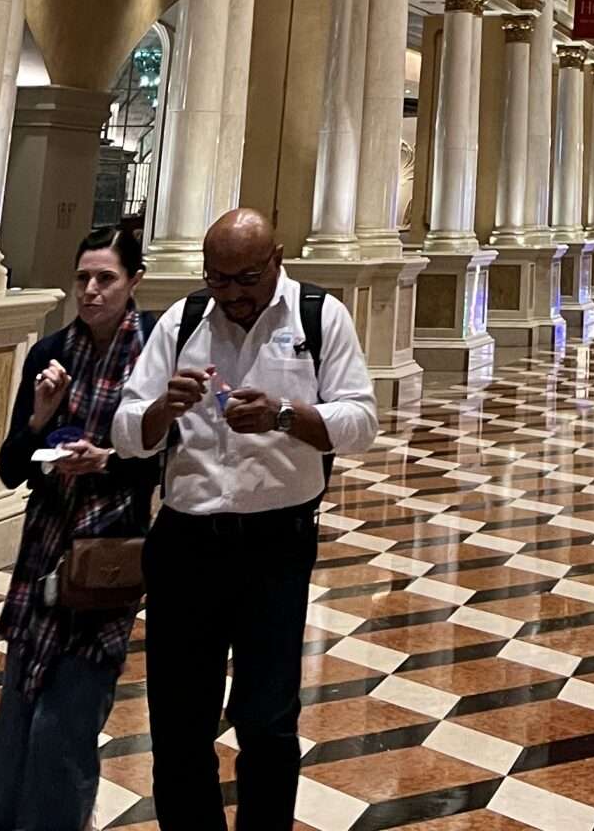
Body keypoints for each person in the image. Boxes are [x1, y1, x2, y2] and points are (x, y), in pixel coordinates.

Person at [114, 208, 378, 831]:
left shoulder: (319, 316)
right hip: (186, 543)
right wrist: (162, 410)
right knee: (180, 722)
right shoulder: (182, 320)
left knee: (266, 719)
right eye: (218, 279)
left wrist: (285, 415)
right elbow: (126, 432)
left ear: (276, 261)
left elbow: (361, 422)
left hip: (275, 545)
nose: (232, 294)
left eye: (247, 279)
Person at [0, 223, 157, 831]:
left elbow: (168, 460)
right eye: (83, 277)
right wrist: (40, 419)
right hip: (44, 552)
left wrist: (106, 461)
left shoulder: (153, 356)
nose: (90, 290)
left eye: (106, 278)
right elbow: (11, 467)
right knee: (17, 718)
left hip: (106, 554)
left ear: (134, 281)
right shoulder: (50, 354)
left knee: (65, 725)